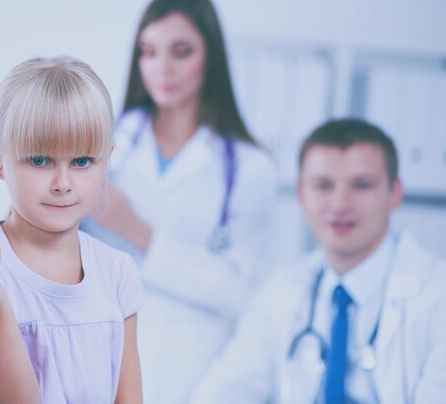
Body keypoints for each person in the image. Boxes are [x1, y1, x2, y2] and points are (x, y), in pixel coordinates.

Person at [82, 0, 278, 402]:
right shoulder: (101, 147)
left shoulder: (249, 167)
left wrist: (137, 231)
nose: (162, 68)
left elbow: (240, 292)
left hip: (193, 373)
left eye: (181, 51)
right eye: (149, 52)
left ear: (211, 59)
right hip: (97, 359)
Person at [0, 57, 144, 404]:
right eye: (40, 161)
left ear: (107, 161)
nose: (62, 183)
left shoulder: (117, 273)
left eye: (82, 161)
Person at [191, 118, 446, 403]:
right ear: (301, 195)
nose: (339, 204)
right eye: (323, 186)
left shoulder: (437, 296)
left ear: (394, 193)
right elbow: (222, 393)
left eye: (361, 185)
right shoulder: (283, 289)